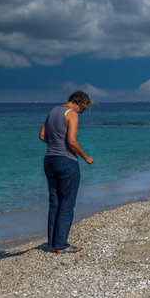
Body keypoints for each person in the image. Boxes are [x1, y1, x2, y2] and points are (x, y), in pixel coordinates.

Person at [39, 91, 95, 253]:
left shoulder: (53, 111)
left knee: (55, 202)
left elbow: (42, 136)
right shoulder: (72, 114)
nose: (82, 112)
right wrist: (86, 157)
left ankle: (52, 243)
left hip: (49, 159)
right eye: (83, 108)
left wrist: (56, 144)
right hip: (66, 161)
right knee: (67, 203)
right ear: (80, 103)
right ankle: (61, 245)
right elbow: (72, 141)